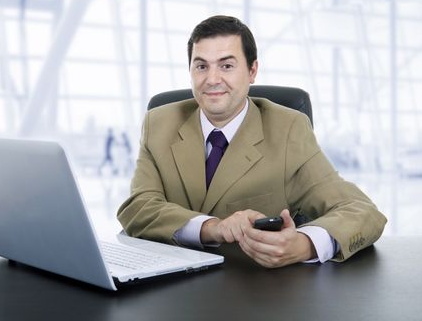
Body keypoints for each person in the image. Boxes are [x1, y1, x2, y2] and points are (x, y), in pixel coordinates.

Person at [117, 15, 387, 267]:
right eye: (201, 66)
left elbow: (360, 210)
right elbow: (139, 208)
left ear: (252, 71)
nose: (212, 79)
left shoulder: (288, 129)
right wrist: (214, 228)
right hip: (168, 289)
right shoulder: (159, 123)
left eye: (226, 65)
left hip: (255, 290)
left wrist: (304, 245)